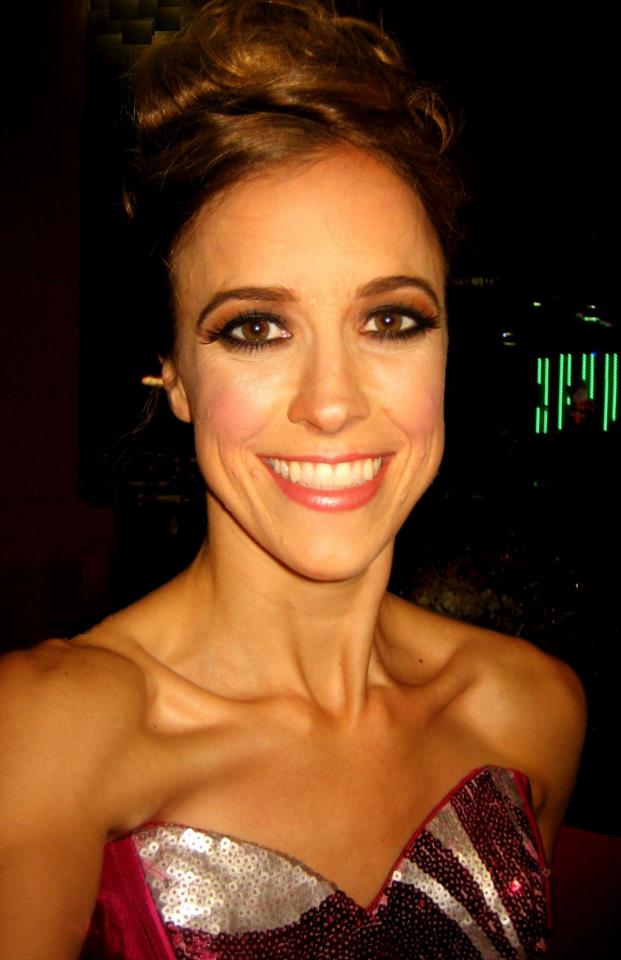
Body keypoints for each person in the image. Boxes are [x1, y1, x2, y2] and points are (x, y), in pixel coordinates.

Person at [0, 2, 585, 957]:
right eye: (255, 328)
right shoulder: (47, 736)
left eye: (390, 321)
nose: (331, 403)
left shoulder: (527, 713)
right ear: (175, 376)